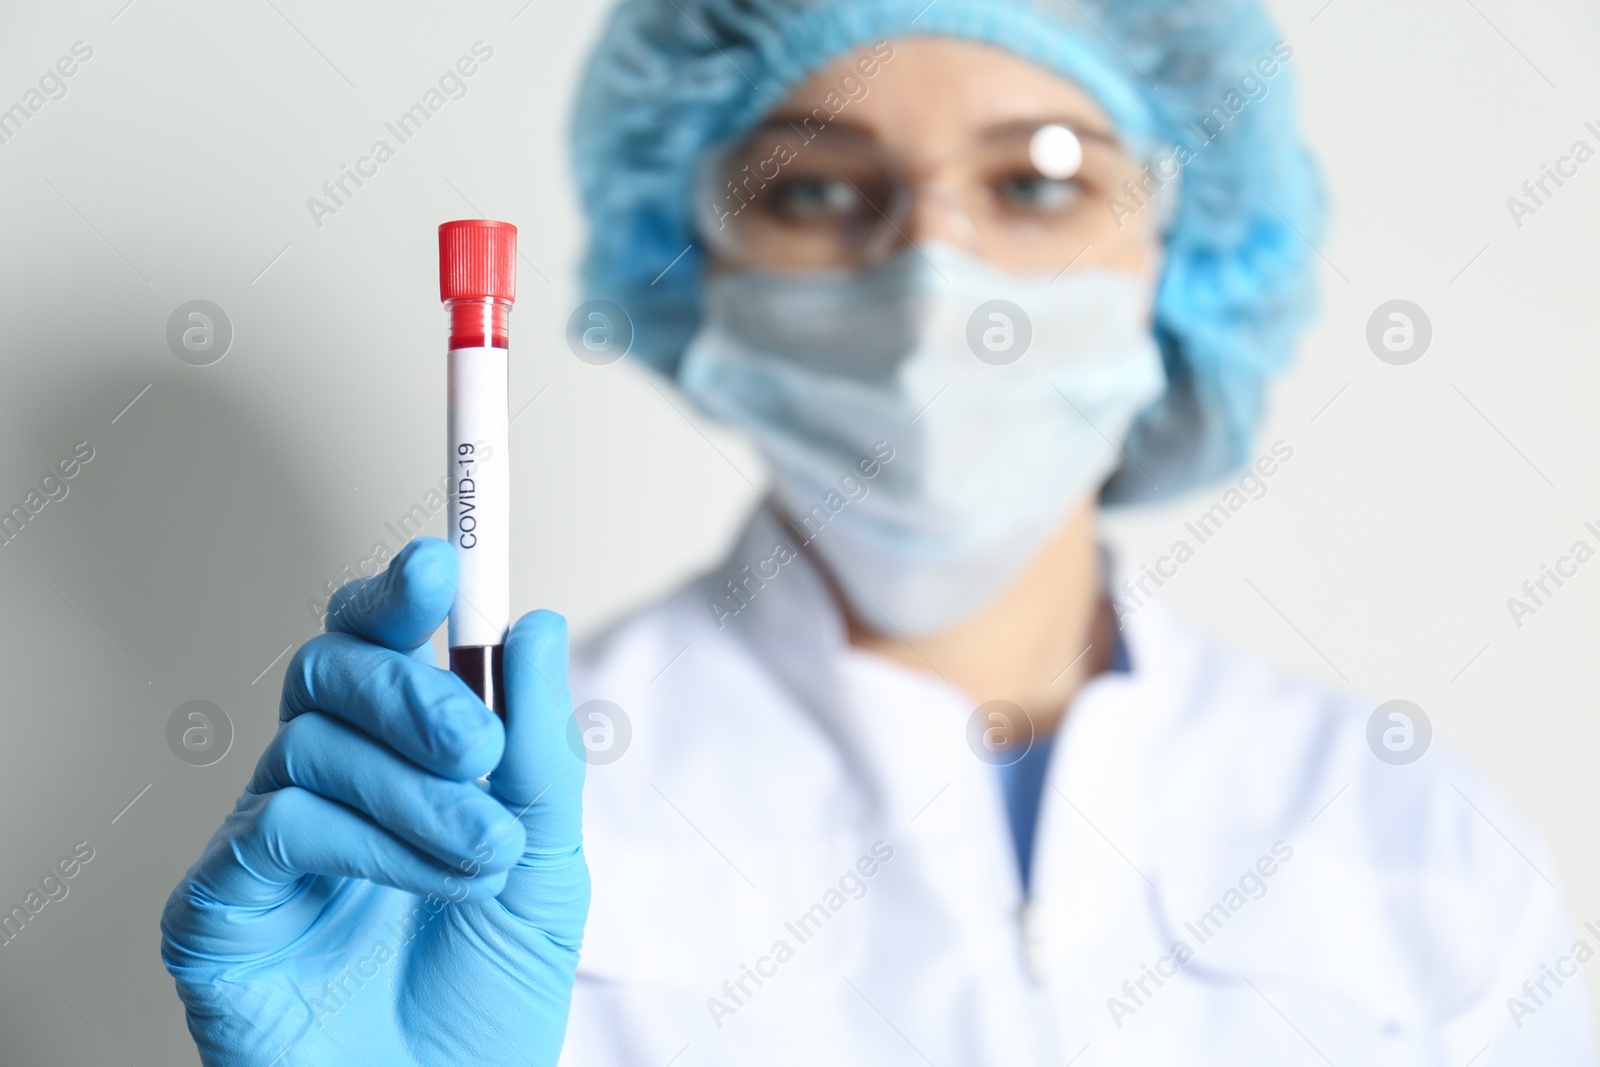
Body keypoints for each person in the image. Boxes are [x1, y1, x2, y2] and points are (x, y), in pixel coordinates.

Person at [161, 0, 1597, 1064]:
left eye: (1037, 178)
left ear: (1185, 249)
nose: (931, 275)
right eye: (818, 186)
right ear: (700, 259)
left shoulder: (1412, 845)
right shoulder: (468, 848)